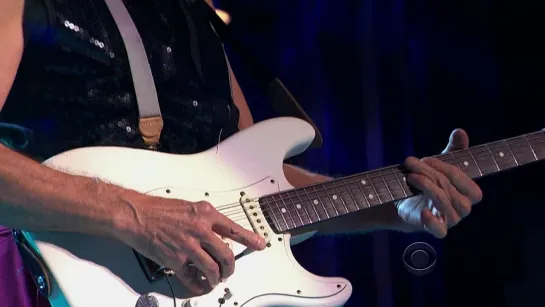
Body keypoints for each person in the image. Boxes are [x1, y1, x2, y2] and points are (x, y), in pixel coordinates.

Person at [0, 0, 483, 305]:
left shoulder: (196, 16)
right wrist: (137, 215)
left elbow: (257, 191)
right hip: (36, 280)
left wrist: (396, 206)